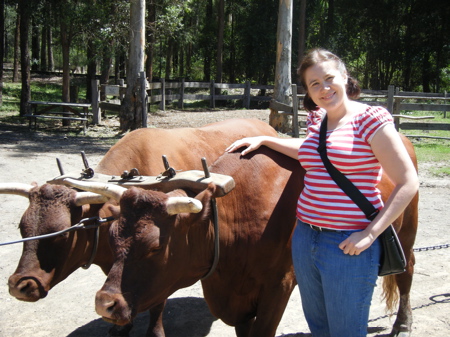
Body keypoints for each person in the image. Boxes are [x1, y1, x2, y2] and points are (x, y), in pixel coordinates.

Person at [225, 48, 419, 337]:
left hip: (348, 244)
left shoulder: (371, 119)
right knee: (320, 327)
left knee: (345, 331)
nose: (324, 88)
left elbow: (408, 182)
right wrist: (266, 139)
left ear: (344, 77)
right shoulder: (318, 119)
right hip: (305, 238)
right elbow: (309, 151)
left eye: (329, 78)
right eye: (314, 83)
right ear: (308, 90)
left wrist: (370, 233)